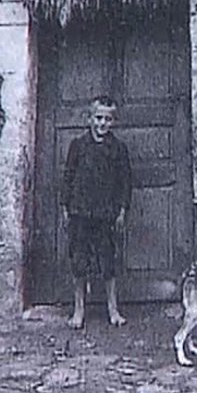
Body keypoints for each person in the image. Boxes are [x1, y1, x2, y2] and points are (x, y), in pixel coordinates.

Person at [63, 94, 133, 329]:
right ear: (90, 119)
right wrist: (66, 207)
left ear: (114, 122)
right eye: (98, 118)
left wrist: (122, 210)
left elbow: (125, 182)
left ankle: (113, 309)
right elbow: (68, 178)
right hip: (81, 212)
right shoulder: (78, 146)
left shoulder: (118, 149)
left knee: (108, 261)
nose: (102, 123)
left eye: (108, 119)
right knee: (79, 261)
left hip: (106, 214)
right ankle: (79, 309)